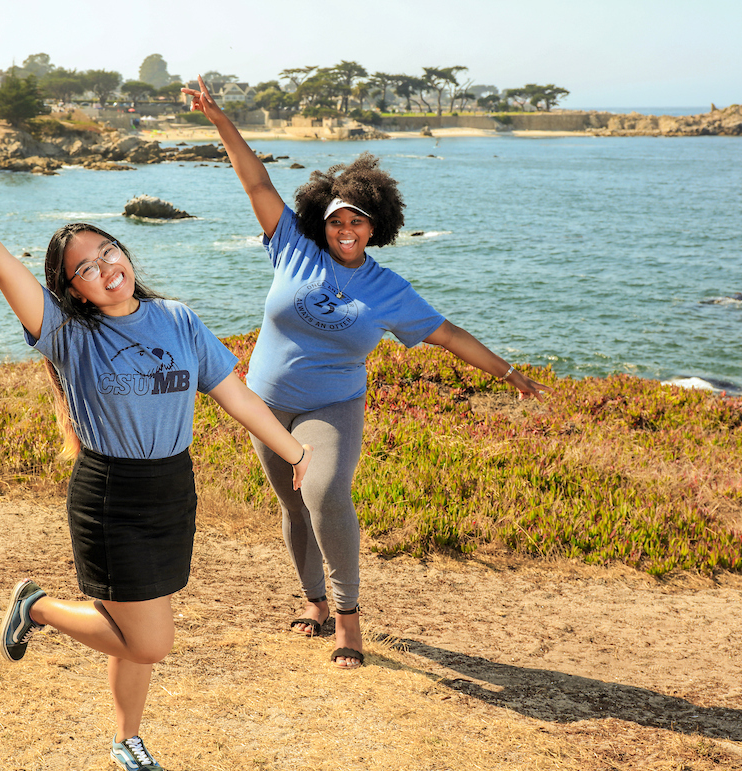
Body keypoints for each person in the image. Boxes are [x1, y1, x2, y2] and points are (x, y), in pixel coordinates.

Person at [0, 178, 313, 771]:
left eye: (108, 253)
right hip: (111, 496)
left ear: (124, 253)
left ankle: (128, 740)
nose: (104, 269)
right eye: (84, 269)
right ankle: (38, 607)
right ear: (68, 288)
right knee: (150, 641)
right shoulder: (68, 333)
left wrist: (293, 449)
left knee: (132, 632)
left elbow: (231, 391)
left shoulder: (177, 319)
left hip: (172, 490)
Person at [183, 77, 551, 669]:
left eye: (357, 222)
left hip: (331, 408)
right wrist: (218, 116)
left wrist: (508, 373)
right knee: (291, 503)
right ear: (321, 222)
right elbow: (255, 180)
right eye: (335, 221)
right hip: (266, 402)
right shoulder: (291, 246)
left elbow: (448, 335)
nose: (345, 230)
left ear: (376, 226)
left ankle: (349, 624)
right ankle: (314, 602)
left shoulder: (387, 289)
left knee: (325, 491)